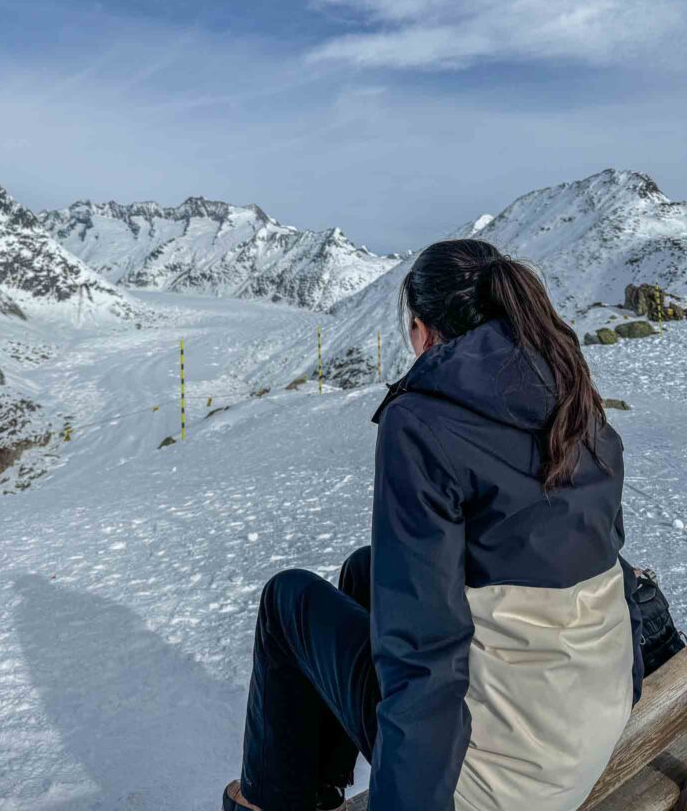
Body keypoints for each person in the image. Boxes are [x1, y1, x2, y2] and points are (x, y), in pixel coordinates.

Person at [222, 239, 645, 811]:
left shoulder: (423, 419)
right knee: (365, 570)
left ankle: (272, 802)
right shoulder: (567, 382)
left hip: (501, 778)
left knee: (286, 600)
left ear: (422, 331)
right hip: (593, 712)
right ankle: (322, 785)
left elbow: (423, 647)